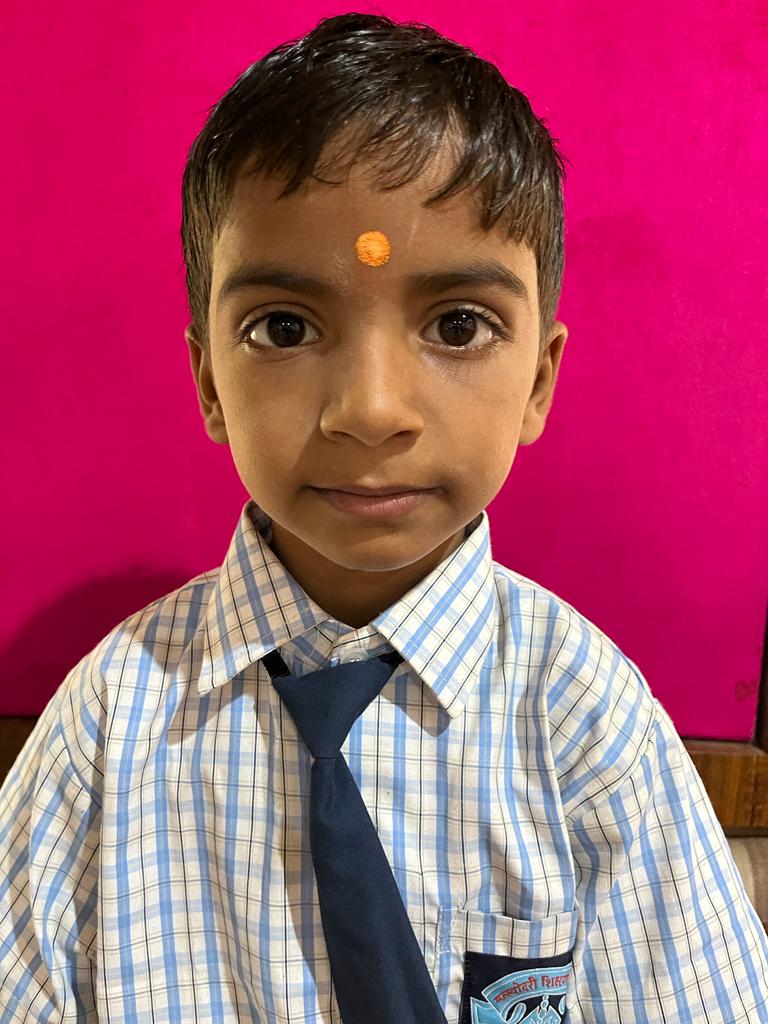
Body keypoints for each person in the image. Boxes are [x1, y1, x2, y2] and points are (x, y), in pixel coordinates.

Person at [1, 11, 766, 1024]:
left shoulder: (587, 722)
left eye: (458, 324)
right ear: (210, 381)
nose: (369, 410)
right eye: (284, 327)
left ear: (538, 381)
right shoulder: (106, 727)